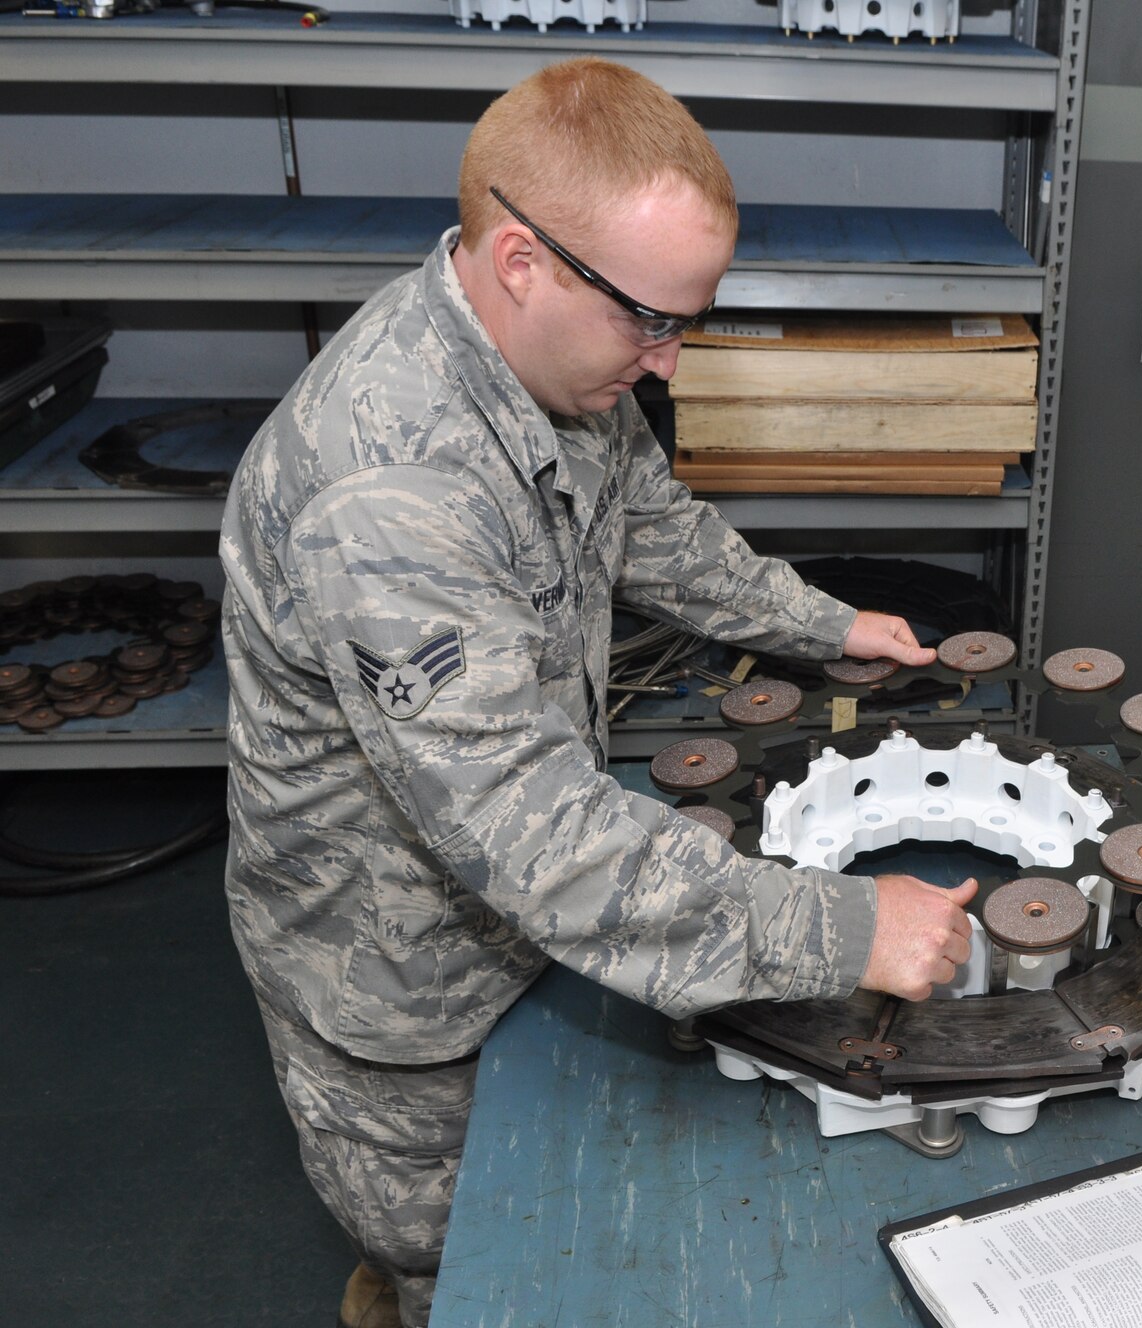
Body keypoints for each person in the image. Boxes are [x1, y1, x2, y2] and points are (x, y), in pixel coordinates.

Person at [220, 58, 975, 1328]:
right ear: (522, 261)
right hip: (395, 975)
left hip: (509, 917)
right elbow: (541, 841)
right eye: (651, 320)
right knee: (462, 1257)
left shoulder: (552, 363)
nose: (669, 365)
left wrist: (827, 622)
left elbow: (652, 528)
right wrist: (851, 931)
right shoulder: (390, 492)